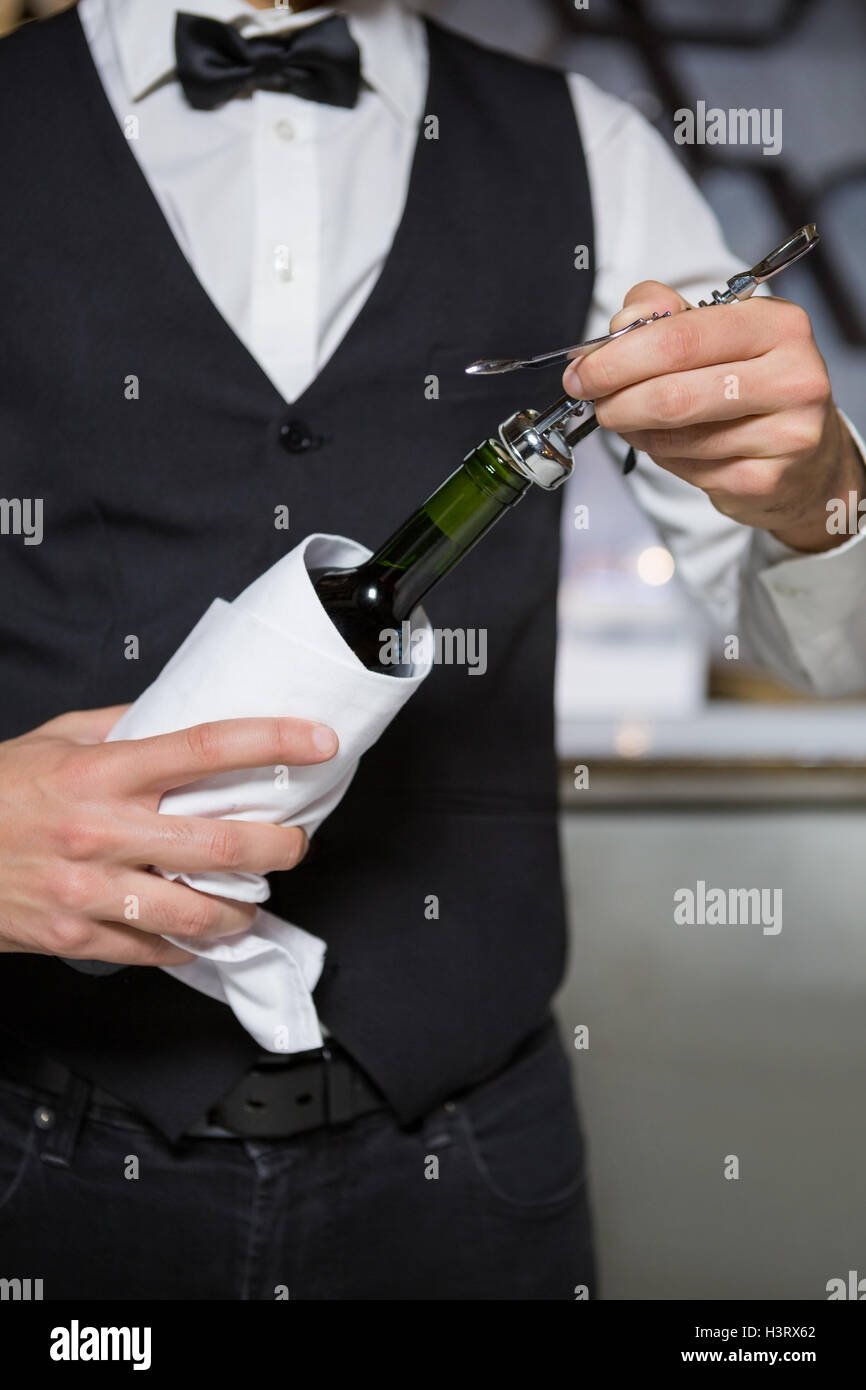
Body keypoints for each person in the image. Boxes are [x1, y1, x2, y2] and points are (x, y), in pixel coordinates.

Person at [0, 0, 864, 1301]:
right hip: (37, 1148)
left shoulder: (588, 146)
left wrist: (820, 497)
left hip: (471, 1166)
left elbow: (821, 652)